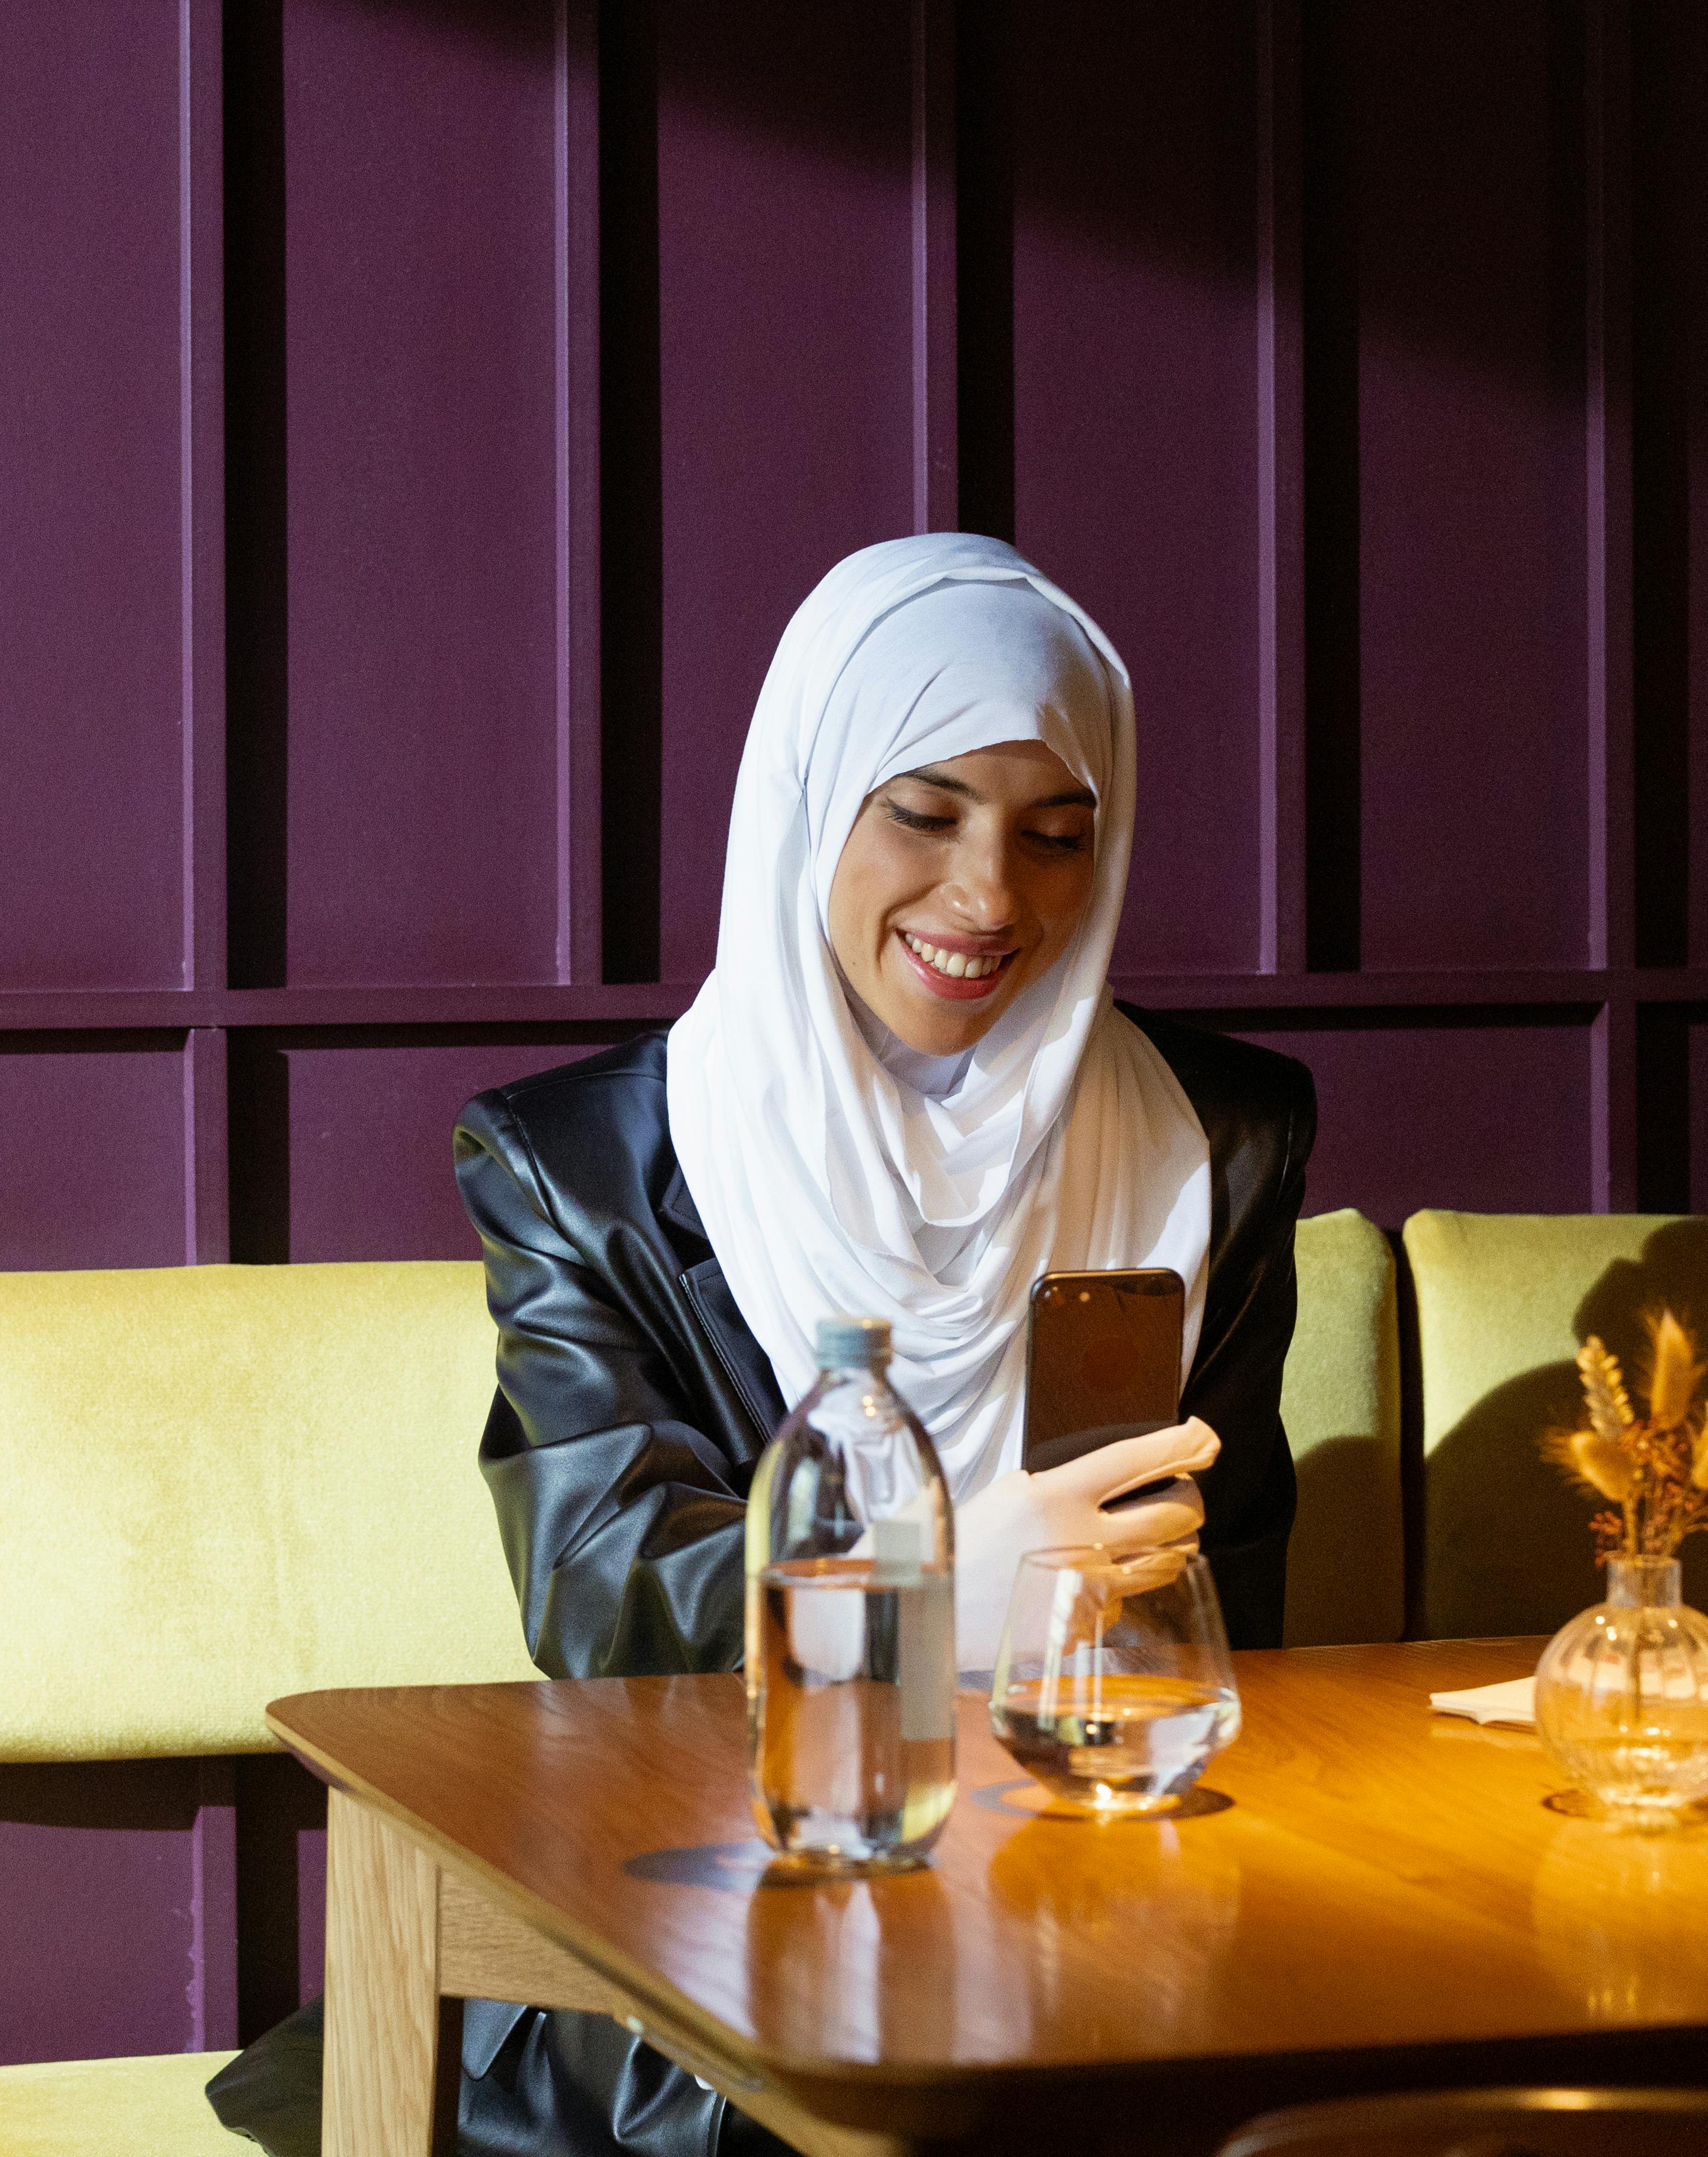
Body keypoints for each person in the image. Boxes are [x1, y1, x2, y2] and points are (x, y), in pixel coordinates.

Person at [212, 534, 1317, 2157]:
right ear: (810, 802)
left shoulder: (1212, 1136)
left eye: (1056, 834)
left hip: (1091, 1886)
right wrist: (949, 1586)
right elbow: (605, 1599)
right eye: (923, 813)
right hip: (704, 1914)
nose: (989, 897)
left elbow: (1236, 1606)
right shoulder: (577, 1164)